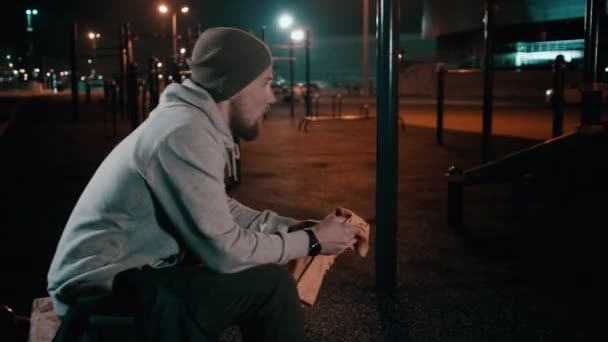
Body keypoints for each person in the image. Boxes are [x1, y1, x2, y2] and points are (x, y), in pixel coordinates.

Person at [47, 27, 358, 341]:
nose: (272, 97)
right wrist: (312, 242)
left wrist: (299, 229)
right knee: (269, 285)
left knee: (258, 275)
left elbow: (219, 208)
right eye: (264, 83)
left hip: (127, 279)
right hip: (100, 294)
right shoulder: (184, 133)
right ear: (233, 86)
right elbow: (224, 251)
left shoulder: (189, 123)